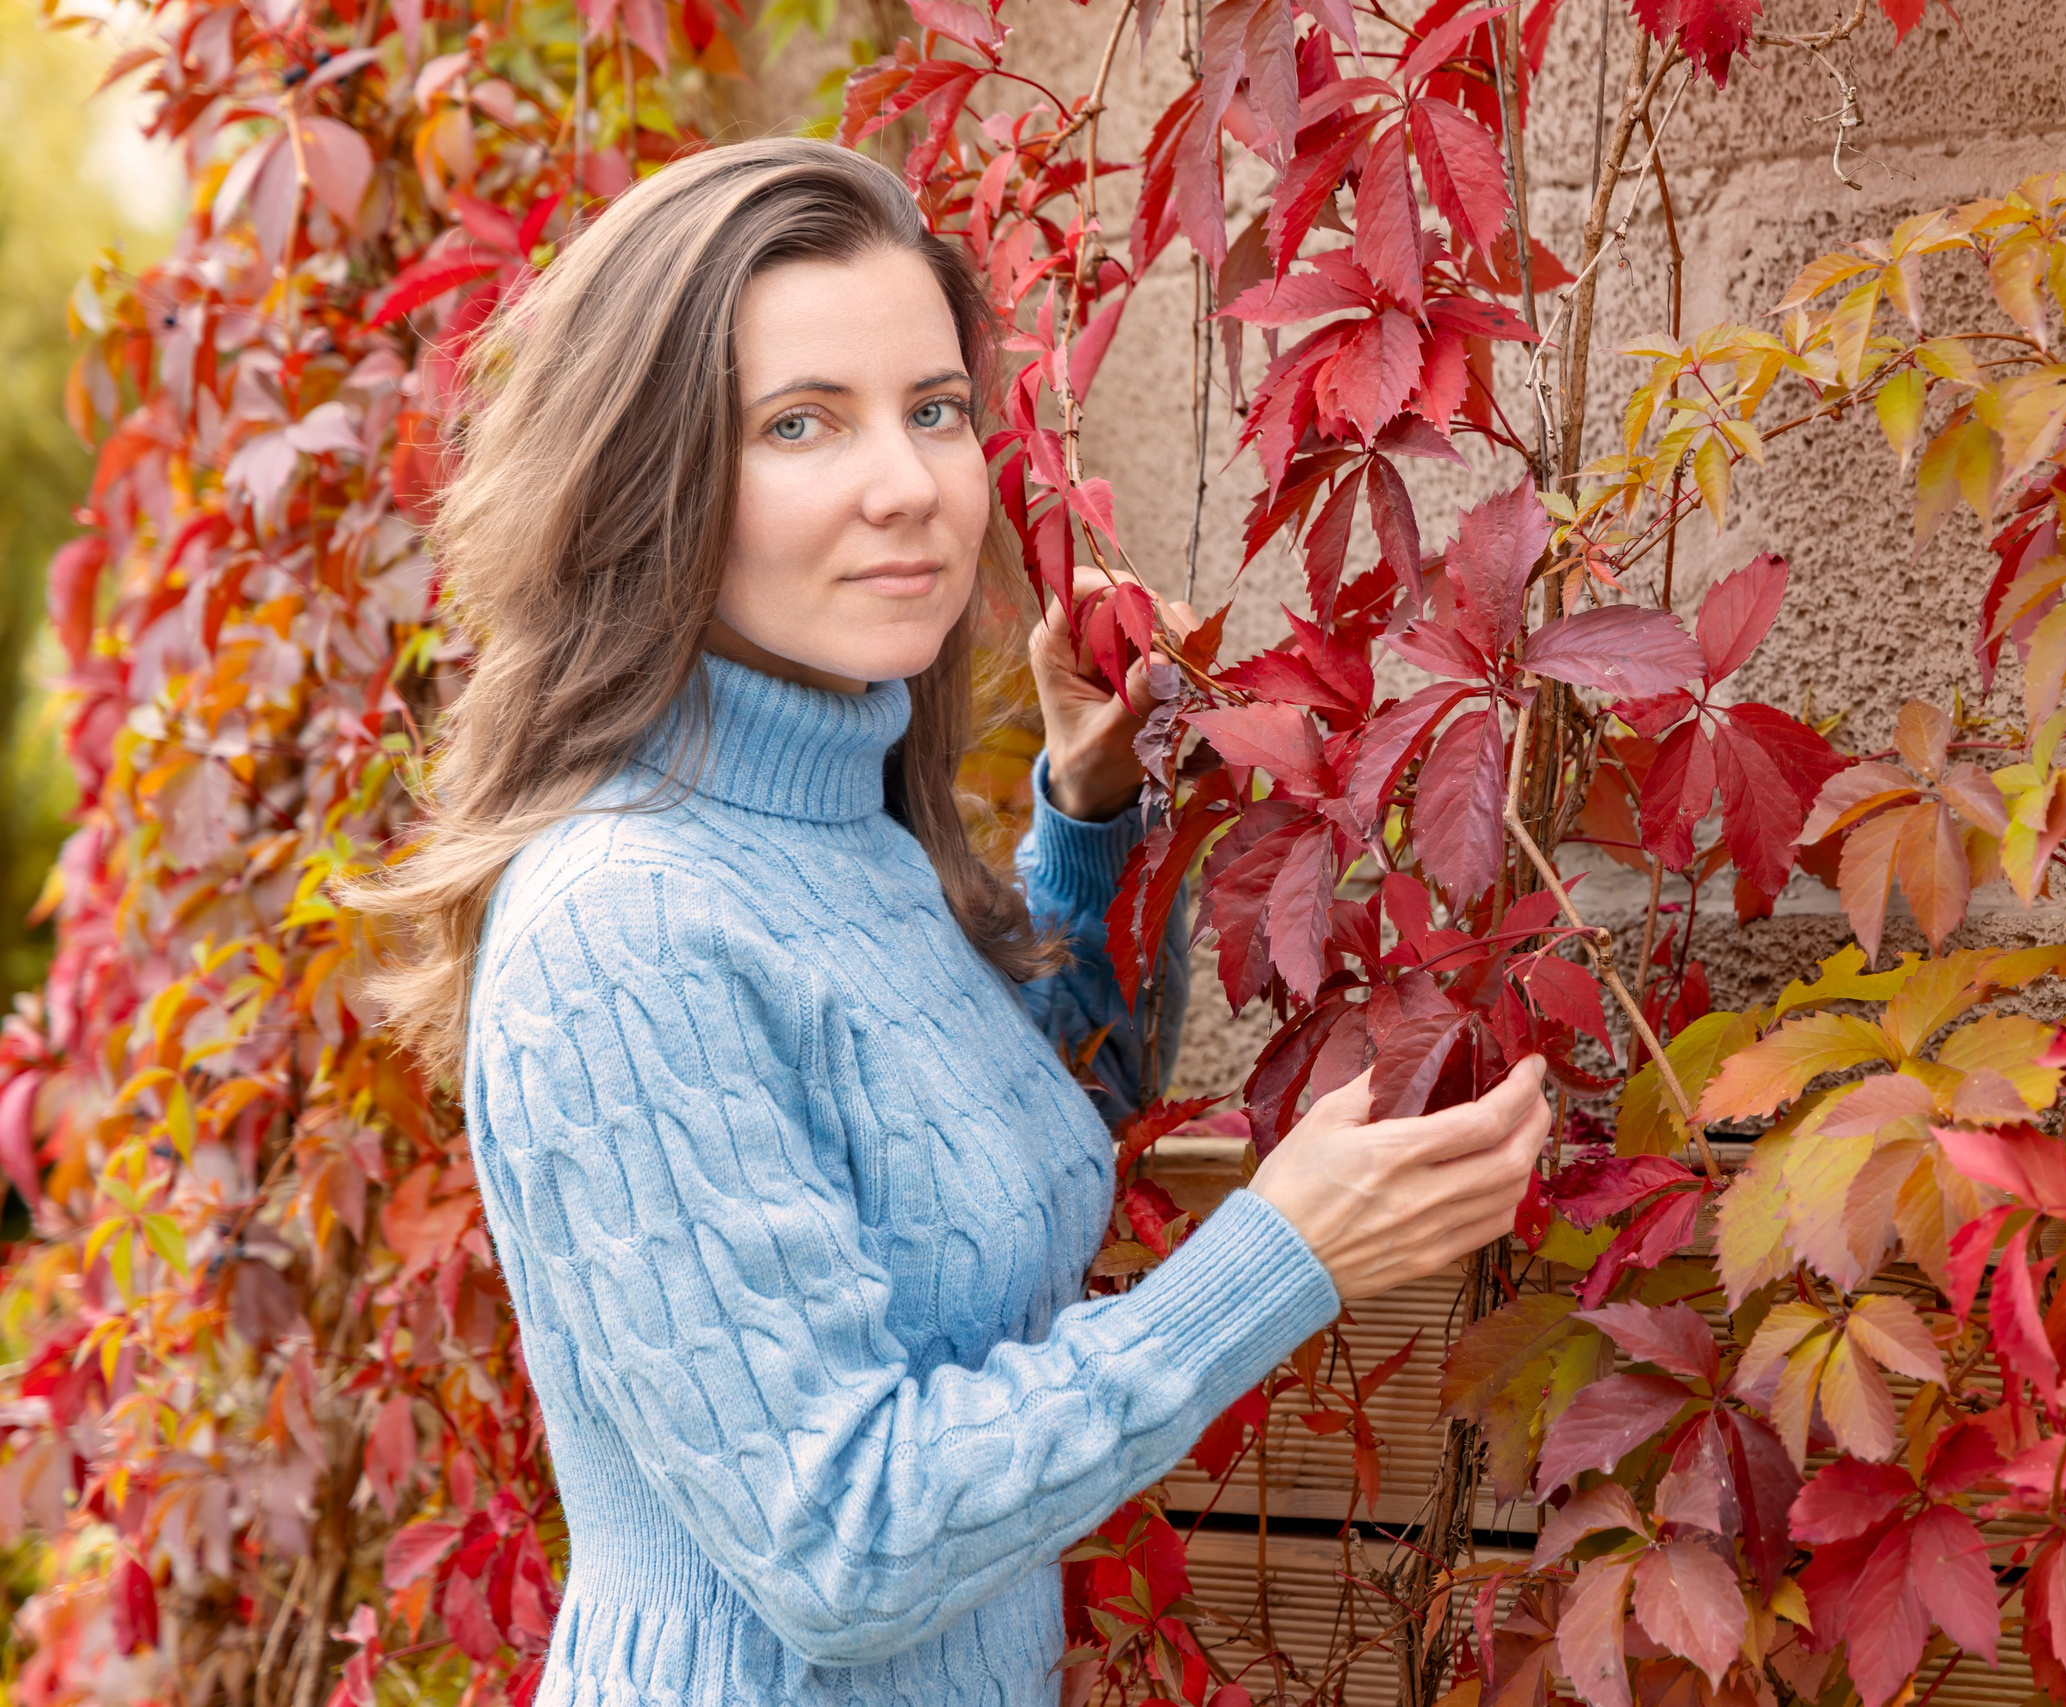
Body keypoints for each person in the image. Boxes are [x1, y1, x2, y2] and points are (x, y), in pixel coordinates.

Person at [352, 136, 1550, 1707]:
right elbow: (845, 1541)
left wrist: (1092, 816)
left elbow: (993, 1137)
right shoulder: (623, 932)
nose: (909, 484)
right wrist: (1276, 1260)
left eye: (932, 409)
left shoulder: (838, 824)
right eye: (800, 423)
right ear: (649, 479)